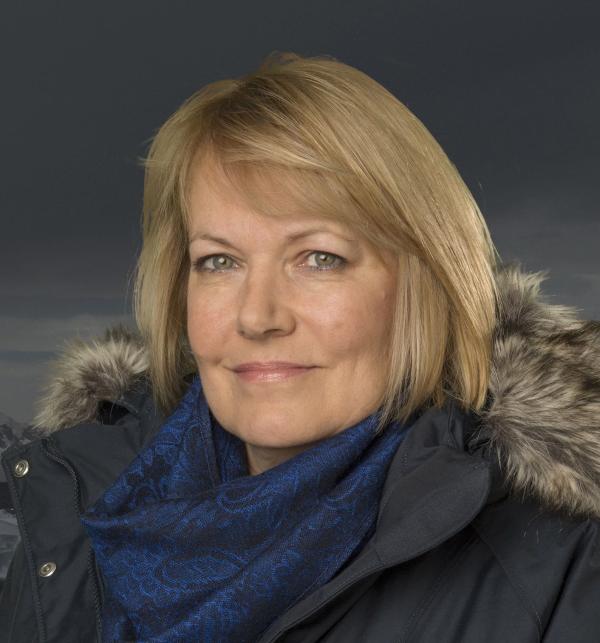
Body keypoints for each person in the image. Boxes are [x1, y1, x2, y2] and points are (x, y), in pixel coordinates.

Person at [1, 51, 599, 643]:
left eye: (319, 258)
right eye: (219, 261)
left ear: (424, 287)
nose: (257, 315)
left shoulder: (563, 573)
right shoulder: (75, 519)